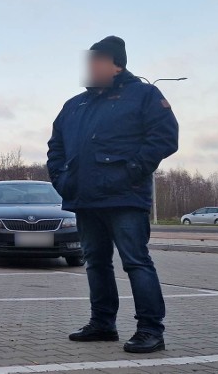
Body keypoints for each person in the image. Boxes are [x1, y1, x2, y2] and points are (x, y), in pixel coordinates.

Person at [46, 36, 179, 354]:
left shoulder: (144, 95)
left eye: (97, 61)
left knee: (136, 262)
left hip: (125, 197)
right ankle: (103, 324)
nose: (90, 68)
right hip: (85, 197)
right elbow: (56, 147)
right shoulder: (75, 104)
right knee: (95, 262)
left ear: (117, 64)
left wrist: (132, 170)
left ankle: (150, 330)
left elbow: (165, 137)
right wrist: (63, 179)